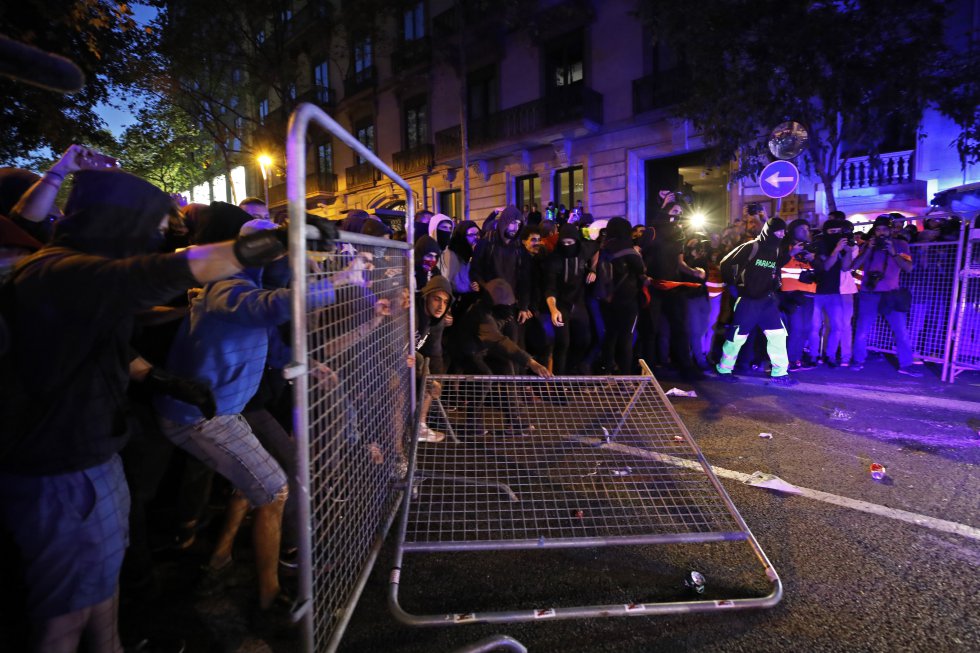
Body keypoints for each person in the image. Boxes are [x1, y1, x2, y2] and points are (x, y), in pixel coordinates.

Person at [0, 168, 296, 653]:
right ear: (118, 223)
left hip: (91, 454)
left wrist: (158, 372)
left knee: (100, 590)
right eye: (156, 227)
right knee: (64, 617)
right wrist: (276, 242)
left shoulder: (74, 272)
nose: (161, 237)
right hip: (59, 468)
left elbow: (121, 319)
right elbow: (159, 274)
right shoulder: (60, 269)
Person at [716, 216, 797, 386]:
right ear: (769, 231)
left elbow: (778, 265)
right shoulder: (752, 246)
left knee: (778, 336)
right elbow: (725, 263)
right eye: (779, 231)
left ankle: (780, 373)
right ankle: (724, 368)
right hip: (749, 301)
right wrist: (732, 285)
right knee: (737, 337)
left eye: (784, 231)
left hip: (767, 302)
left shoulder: (775, 250)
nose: (782, 234)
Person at [850, 215, 921, 376]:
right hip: (869, 294)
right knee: (862, 330)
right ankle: (858, 360)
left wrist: (893, 253)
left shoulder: (900, 244)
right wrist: (868, 248)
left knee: (901, 331)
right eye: (878, 229)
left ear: (890, 230)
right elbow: (854, 266)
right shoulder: (869, 245)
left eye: (884, 229)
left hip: (891, 295)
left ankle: (906, 364)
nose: (881, 233)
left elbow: (908, 268)